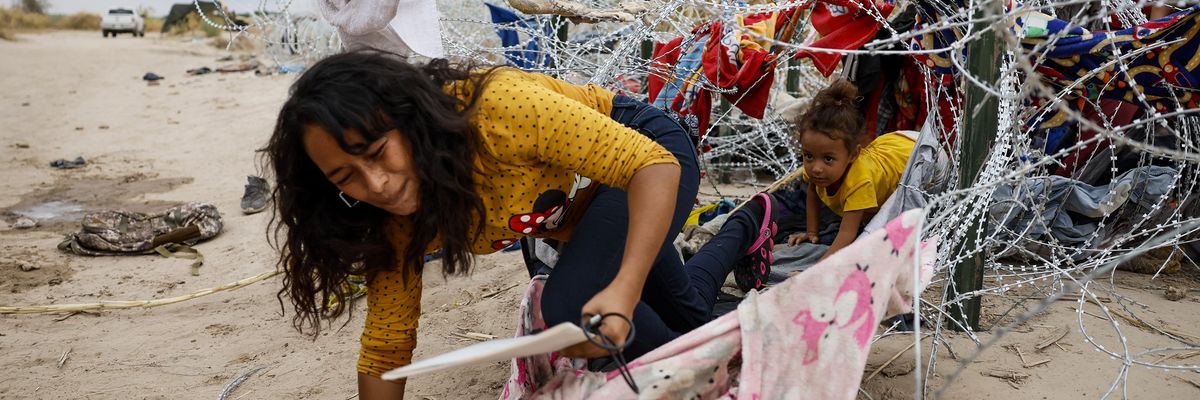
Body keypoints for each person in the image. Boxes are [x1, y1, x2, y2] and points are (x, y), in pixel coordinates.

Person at [262, 51, 768, 398]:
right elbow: (386, 346)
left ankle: (706, 380)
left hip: (644, 160)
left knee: (574, 308)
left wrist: (623, 288)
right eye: (345, 176)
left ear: (409, 120)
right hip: (589, 217)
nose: (378, 184)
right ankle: (747, 227)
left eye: (377, 153)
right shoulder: (387, 220)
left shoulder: (495, 111)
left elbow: (650, 165)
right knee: (690, 315)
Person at [787, 78, 916, 260]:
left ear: (853, 155)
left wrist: (819, 268)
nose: (816, 168)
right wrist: (811, 232)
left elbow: (848, 234)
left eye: (828, 159)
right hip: (894, 149)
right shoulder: (820, 172)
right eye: (808, 156)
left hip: (915, 157)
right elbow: (813, 192)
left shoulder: (860, 181)